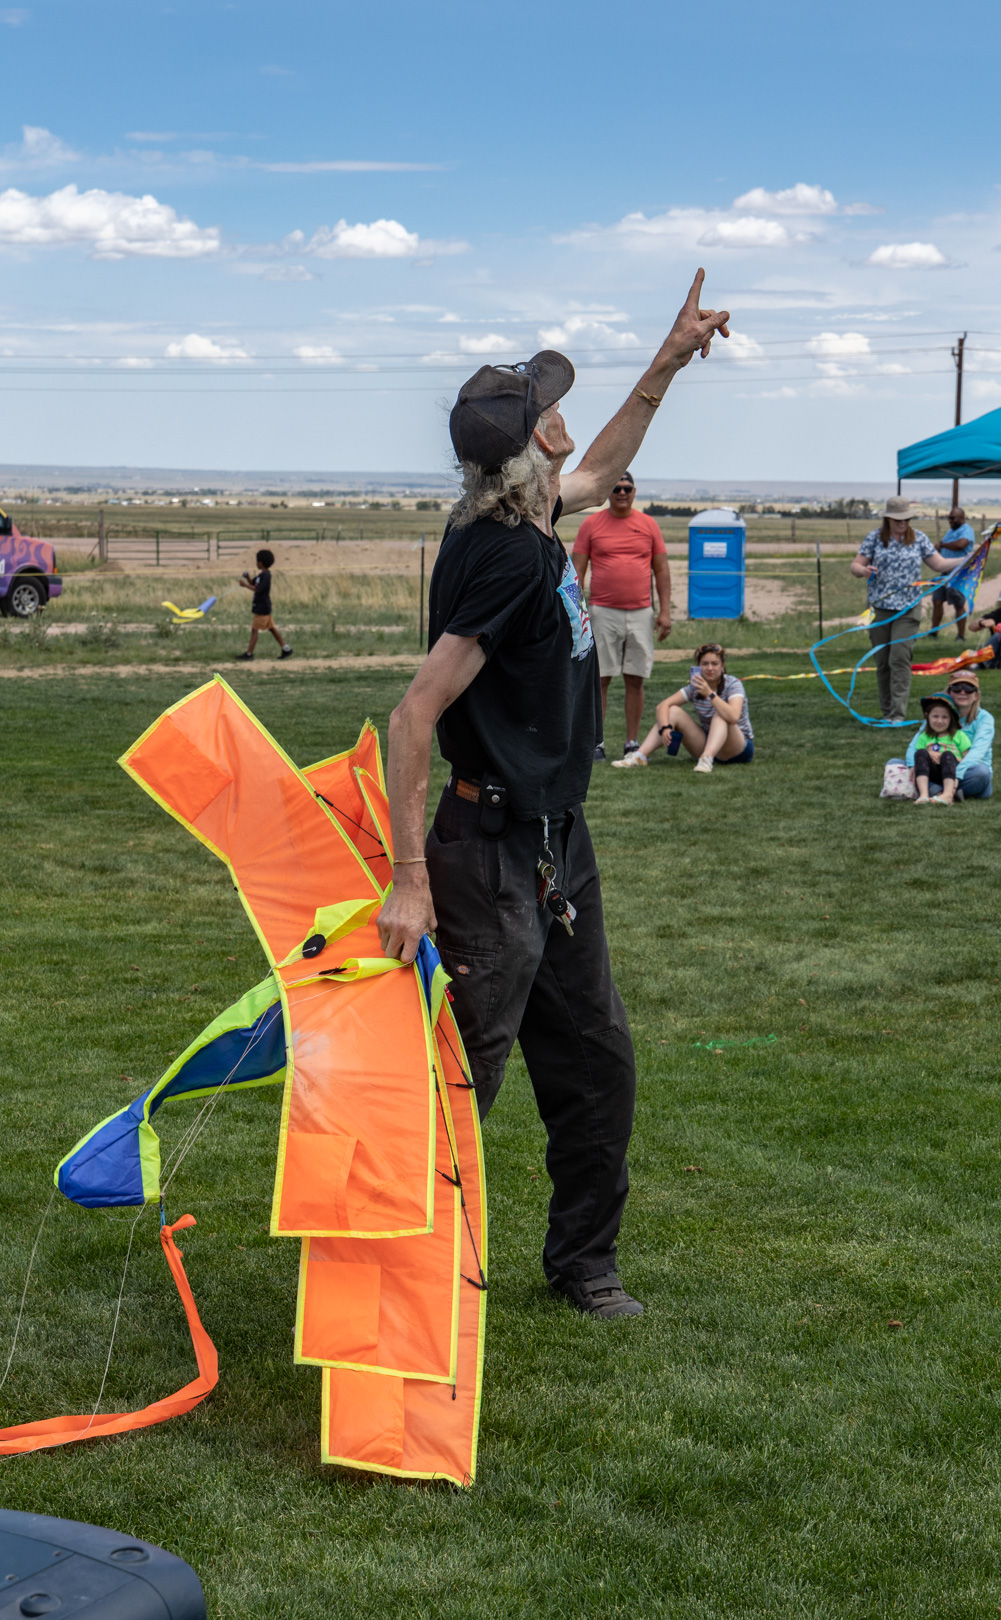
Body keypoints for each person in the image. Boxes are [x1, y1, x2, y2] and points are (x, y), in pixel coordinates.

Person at [375, 271, 731, 1320]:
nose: (564, 417)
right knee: (459, 1079)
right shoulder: (506, 561)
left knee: (596, 1060)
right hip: (485, 855)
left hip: (552, 843)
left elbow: (611, 459)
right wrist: (409, 883)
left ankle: (583, 1265)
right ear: (531, 449)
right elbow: (412, 717)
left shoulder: (526, 515)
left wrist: (667, 359)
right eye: (548, 408)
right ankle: (397, 1287)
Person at [572, 471, 671, 760]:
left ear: (635, 491)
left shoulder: (649, 525)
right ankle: (596, 743)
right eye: (616, 487)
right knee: (600, 679)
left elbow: (661, 570)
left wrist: (665, 612)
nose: (622, 492)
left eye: (627, 487)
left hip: (641, 612)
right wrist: (578, 614)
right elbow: (577, 571)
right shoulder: (591, 524)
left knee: (635, 678)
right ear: (608, 492)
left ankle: (632, 742)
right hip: (602, 612)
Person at [850, 497, 966, 722]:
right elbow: (855, 565)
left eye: (906, 518)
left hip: (908, 609)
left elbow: (939, 564)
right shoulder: (874, 538)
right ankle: (886, 712)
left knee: (899, 658)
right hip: (879, 610)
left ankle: (897, 714)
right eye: (898, 519)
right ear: (888, 519)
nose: (903, 523)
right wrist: (863, 570)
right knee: (882, 662)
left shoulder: (919, 539)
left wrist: (967, 559)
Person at [611, 642, 752, 773]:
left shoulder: (732, 684)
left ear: (722, 666)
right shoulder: (696, 686)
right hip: (709, 741)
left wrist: (709, 694)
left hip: (739, 747)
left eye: (715, 664)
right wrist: (665, 728)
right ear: (698, 666)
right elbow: (662, 706)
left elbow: (733, 717)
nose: (710, 668)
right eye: (705, 664)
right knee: (672, 711)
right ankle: (640, 756)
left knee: (721, 713)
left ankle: (706, 759)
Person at [910, 692, 970, 806]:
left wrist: (950, 757)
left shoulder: (959, 736)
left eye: (944, 717)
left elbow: (967, 759)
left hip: (952, 772)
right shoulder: (924, 737)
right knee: (920, 753)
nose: (939, 721)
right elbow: (920, 759)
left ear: (951, 719)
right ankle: (924, 795)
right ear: (928, 717)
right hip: (933, 772)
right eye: (935, 716)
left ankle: (947, 794)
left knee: (947, 755)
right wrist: (929, 753)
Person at [236, 549, 293, 661]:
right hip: (263, 607)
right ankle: (286, 649)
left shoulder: (266, 576)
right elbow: (254, 583)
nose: (256, 563)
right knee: (271, 628)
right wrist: (247, 578)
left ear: (261, 563)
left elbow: (258, 589)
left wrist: (244, 586)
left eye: (257, 561)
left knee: (254, 630)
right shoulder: (261, 575)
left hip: (262, 608)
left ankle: (249, 654)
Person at [929, 505, 976, 639]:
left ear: (961, 518)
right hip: (945, 572)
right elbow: (945, 545)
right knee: (937, 601)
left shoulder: (966, 530)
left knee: (958, 603)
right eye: (949, 518)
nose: (950, 521)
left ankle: (960, 635)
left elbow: (961, 545)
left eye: (953, 518)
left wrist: (942, 545)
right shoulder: (950, 531)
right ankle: (934, 632)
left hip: (958, 573)